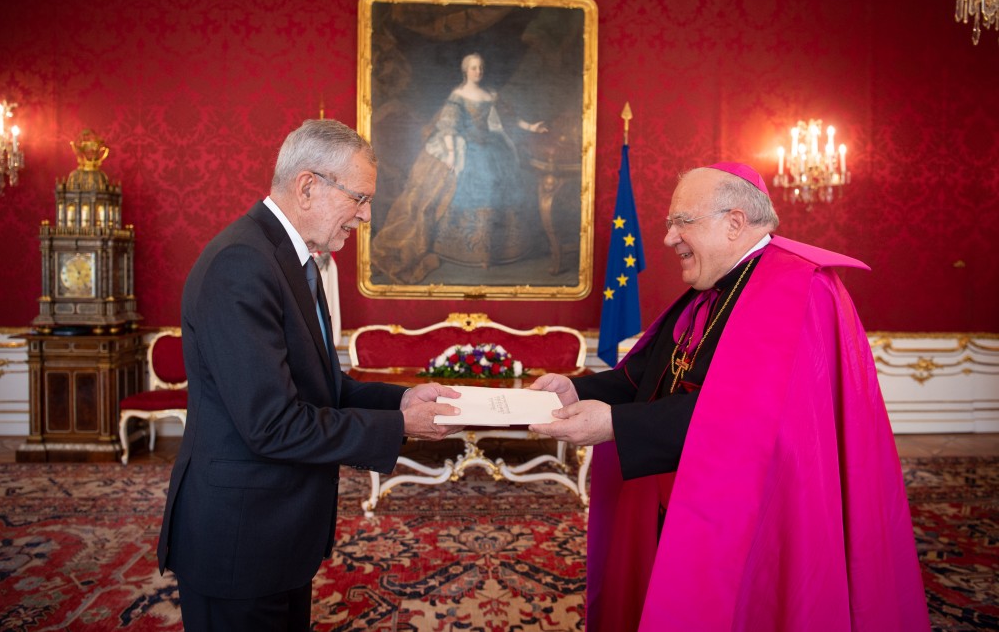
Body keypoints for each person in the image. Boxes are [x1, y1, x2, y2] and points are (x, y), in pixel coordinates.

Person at [529, 162, 930, 631]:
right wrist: (575, 387)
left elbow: (754, 417)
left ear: (734, 222)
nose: (668, 238)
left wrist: (616, 425)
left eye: (682, 221)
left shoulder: (799, 290)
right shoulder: (712, 291)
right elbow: (645, 377)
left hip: (755, 511)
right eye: (668, 223)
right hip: (684, 490)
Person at [157, 119, 464, 631]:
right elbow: (272, 423)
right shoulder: (242, 263)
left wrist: (404, 398)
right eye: (359, 199)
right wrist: (403, 427)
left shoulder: (292, 258)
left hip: (275, 535)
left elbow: (324, 387)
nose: (366, 216)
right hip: (238, 542)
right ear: (307, 186)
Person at [371, 52, 548, 284]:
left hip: (493, 147)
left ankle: (499, 249)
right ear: (466, 70)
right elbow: (449, 127)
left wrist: (532, 127)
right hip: (465, 148)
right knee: (474, 183)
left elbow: (510, 119)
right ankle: (462, 248)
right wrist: (452, 156)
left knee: (501, 185)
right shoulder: (458, 95)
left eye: (481, 67)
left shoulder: (490, 94)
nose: (478, 71)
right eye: (474, 68)